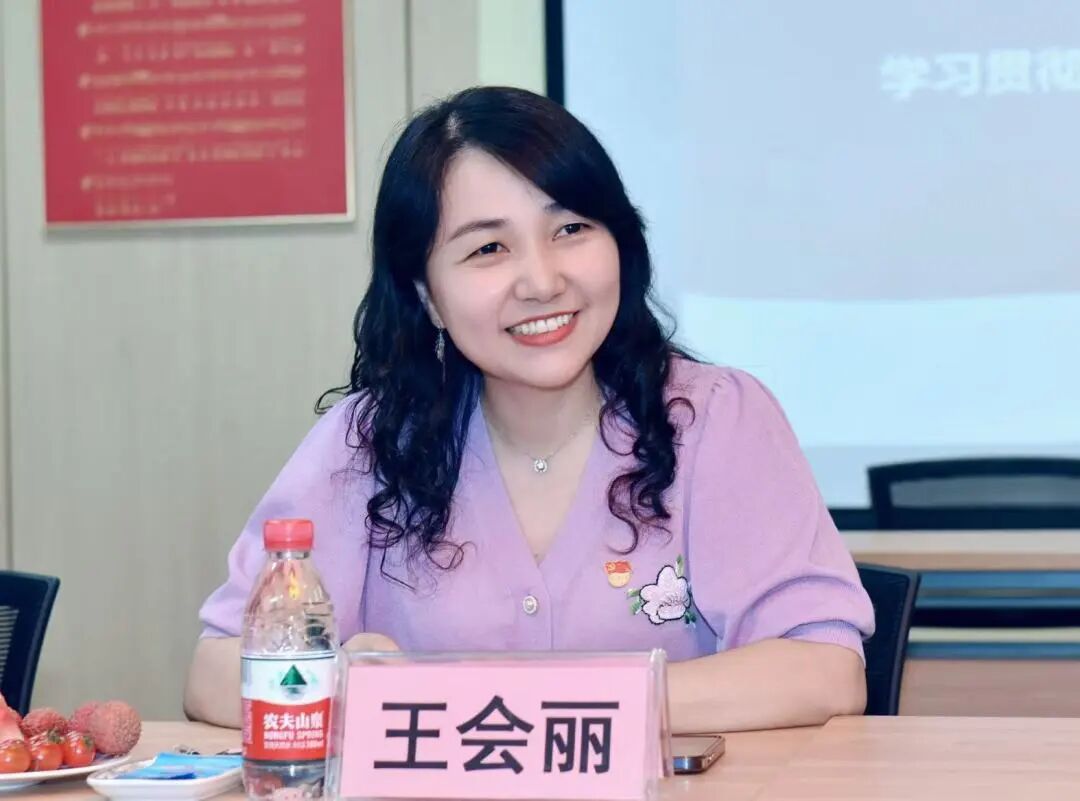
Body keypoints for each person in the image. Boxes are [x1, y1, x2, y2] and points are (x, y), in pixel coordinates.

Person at [185, 86, 874, 733]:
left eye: (570, 228)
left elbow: (823, 671)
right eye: (489, 248)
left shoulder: (716, 418)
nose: (543, 281)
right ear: (427, 294)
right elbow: (215, 674)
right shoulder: (368, 442)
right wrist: (349, 688)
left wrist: (518, 703)